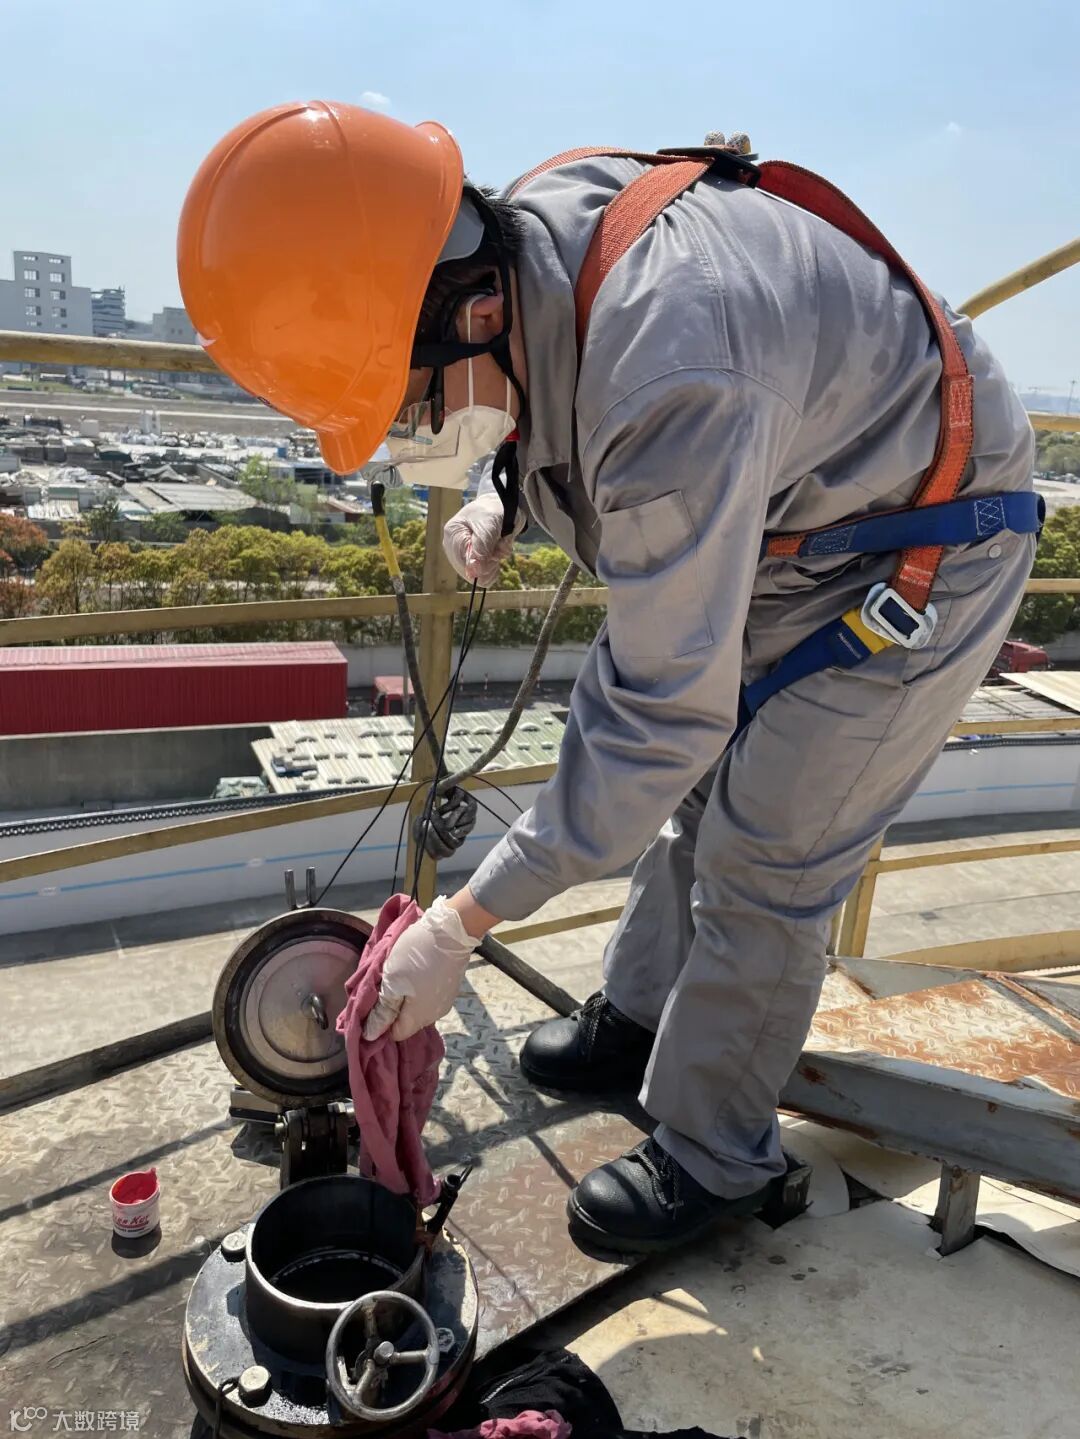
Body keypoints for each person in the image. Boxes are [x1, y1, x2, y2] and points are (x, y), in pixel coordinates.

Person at [179, 102, 1039, 1254]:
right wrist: (505, 489)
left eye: (413, 404)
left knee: (767, 854)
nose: (418, 431)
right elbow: (552, 392)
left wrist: (461, 923)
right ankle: (640, 1020)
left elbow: (656, 714)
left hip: (930, 541)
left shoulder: (672, 365)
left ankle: (713, 1153)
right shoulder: (519, 242)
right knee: (690, 799)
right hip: (804, 508)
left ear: (475, 309)